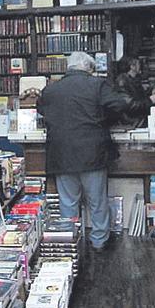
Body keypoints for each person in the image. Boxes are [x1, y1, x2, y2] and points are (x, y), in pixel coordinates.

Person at [36, 52, 135, 251]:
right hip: (92, 153)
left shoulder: (50, 90)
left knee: (68, 204)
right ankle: (99, 242)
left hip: (62, 154)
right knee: (97, 201)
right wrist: (102, 114)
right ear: (89, 68)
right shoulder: (96, 85)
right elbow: (120, 104)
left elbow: (41, 110)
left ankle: (71, 244)